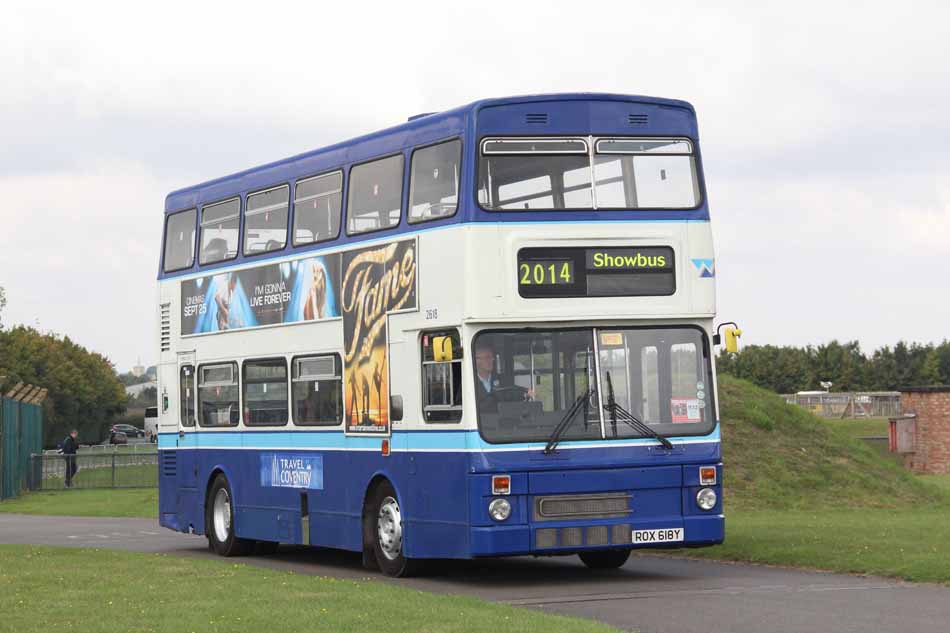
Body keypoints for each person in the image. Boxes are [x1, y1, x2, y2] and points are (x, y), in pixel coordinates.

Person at [474, 342, 534, 413]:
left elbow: (511, 392)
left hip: (500, 421)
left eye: (492, 357)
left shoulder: (501, 380)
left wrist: (525, 393)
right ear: (476, 360)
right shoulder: (469, 382)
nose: (492, 360)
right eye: (487, 357)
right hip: (479, 421)